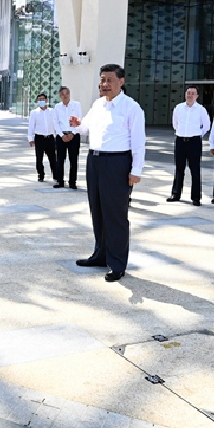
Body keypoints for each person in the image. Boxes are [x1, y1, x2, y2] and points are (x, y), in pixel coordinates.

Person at [70, 64, 145, 282]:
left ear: (121, 81)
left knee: (115, 214)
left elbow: (139, 142)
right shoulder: (98, 104)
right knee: (98, 210)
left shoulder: (131, 107)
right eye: (102, 80)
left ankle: (117, 263)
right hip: (94, 161)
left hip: (117, 163)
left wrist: (136, 170)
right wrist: (77, 124)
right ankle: (100, 255)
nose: (105, 84)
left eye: (109, 80)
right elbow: (86, 127)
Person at [168, 86, 210, 206]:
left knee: (195, 169)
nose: (190, 95)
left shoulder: (201, 109)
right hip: (180, 140)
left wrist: (197, 135)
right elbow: (175, 124)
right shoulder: (179, 108)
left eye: (192, 93)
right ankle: (176, 194)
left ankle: (196, 197)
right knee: (179, 168)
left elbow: (206, 126)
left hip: (194, 142)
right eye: (188, 93)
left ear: (197, 96)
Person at [54, 86, 82, 190]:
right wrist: (62, 135)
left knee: (73, 160)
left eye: (67, 94)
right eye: (63, 95)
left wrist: (72, 133)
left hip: (74, 135)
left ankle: (72, 182)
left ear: (69, 94)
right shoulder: (57, 107)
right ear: (60, 96)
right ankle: (60, 181)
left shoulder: (76, 105)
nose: (65, 96)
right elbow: (56, 122)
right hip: (61, 136)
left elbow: (79, 120)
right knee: (60, 159)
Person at [27, 93, 59, 183]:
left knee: (53, 158)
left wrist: (58, 136)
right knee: (39, 158)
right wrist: (30, 138)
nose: (41, 101)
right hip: (39, 138)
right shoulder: (34, 113)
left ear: (46, 100)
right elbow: (31, 126)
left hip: (50, 137)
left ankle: (56, 175)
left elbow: (56, 124)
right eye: (39, 100)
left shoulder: (52, 111)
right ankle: (40, 175)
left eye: (43, 99)